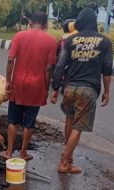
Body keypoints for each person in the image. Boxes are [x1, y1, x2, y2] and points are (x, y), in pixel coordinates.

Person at [51, 8, 113, 174]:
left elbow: (60, 66)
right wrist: (107, 91)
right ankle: (64, 162)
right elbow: (107, 70)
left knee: (70, 120)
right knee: (78, 127)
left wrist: (56, 88)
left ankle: (68, 159)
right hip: (88, 90)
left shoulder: (71, 40)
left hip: (69, 88)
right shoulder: (105, 42)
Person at [1, 11, 57, 160]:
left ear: (30, 22)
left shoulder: (19, 36)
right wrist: (45, 88)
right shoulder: (51, 41)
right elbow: (49, 69)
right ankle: (23, 153)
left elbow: (11, 60)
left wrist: (8, 80)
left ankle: (8, 152)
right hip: (37, 86)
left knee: (13, 120)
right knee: (29, 123)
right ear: (45, 24)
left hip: (18, 84)